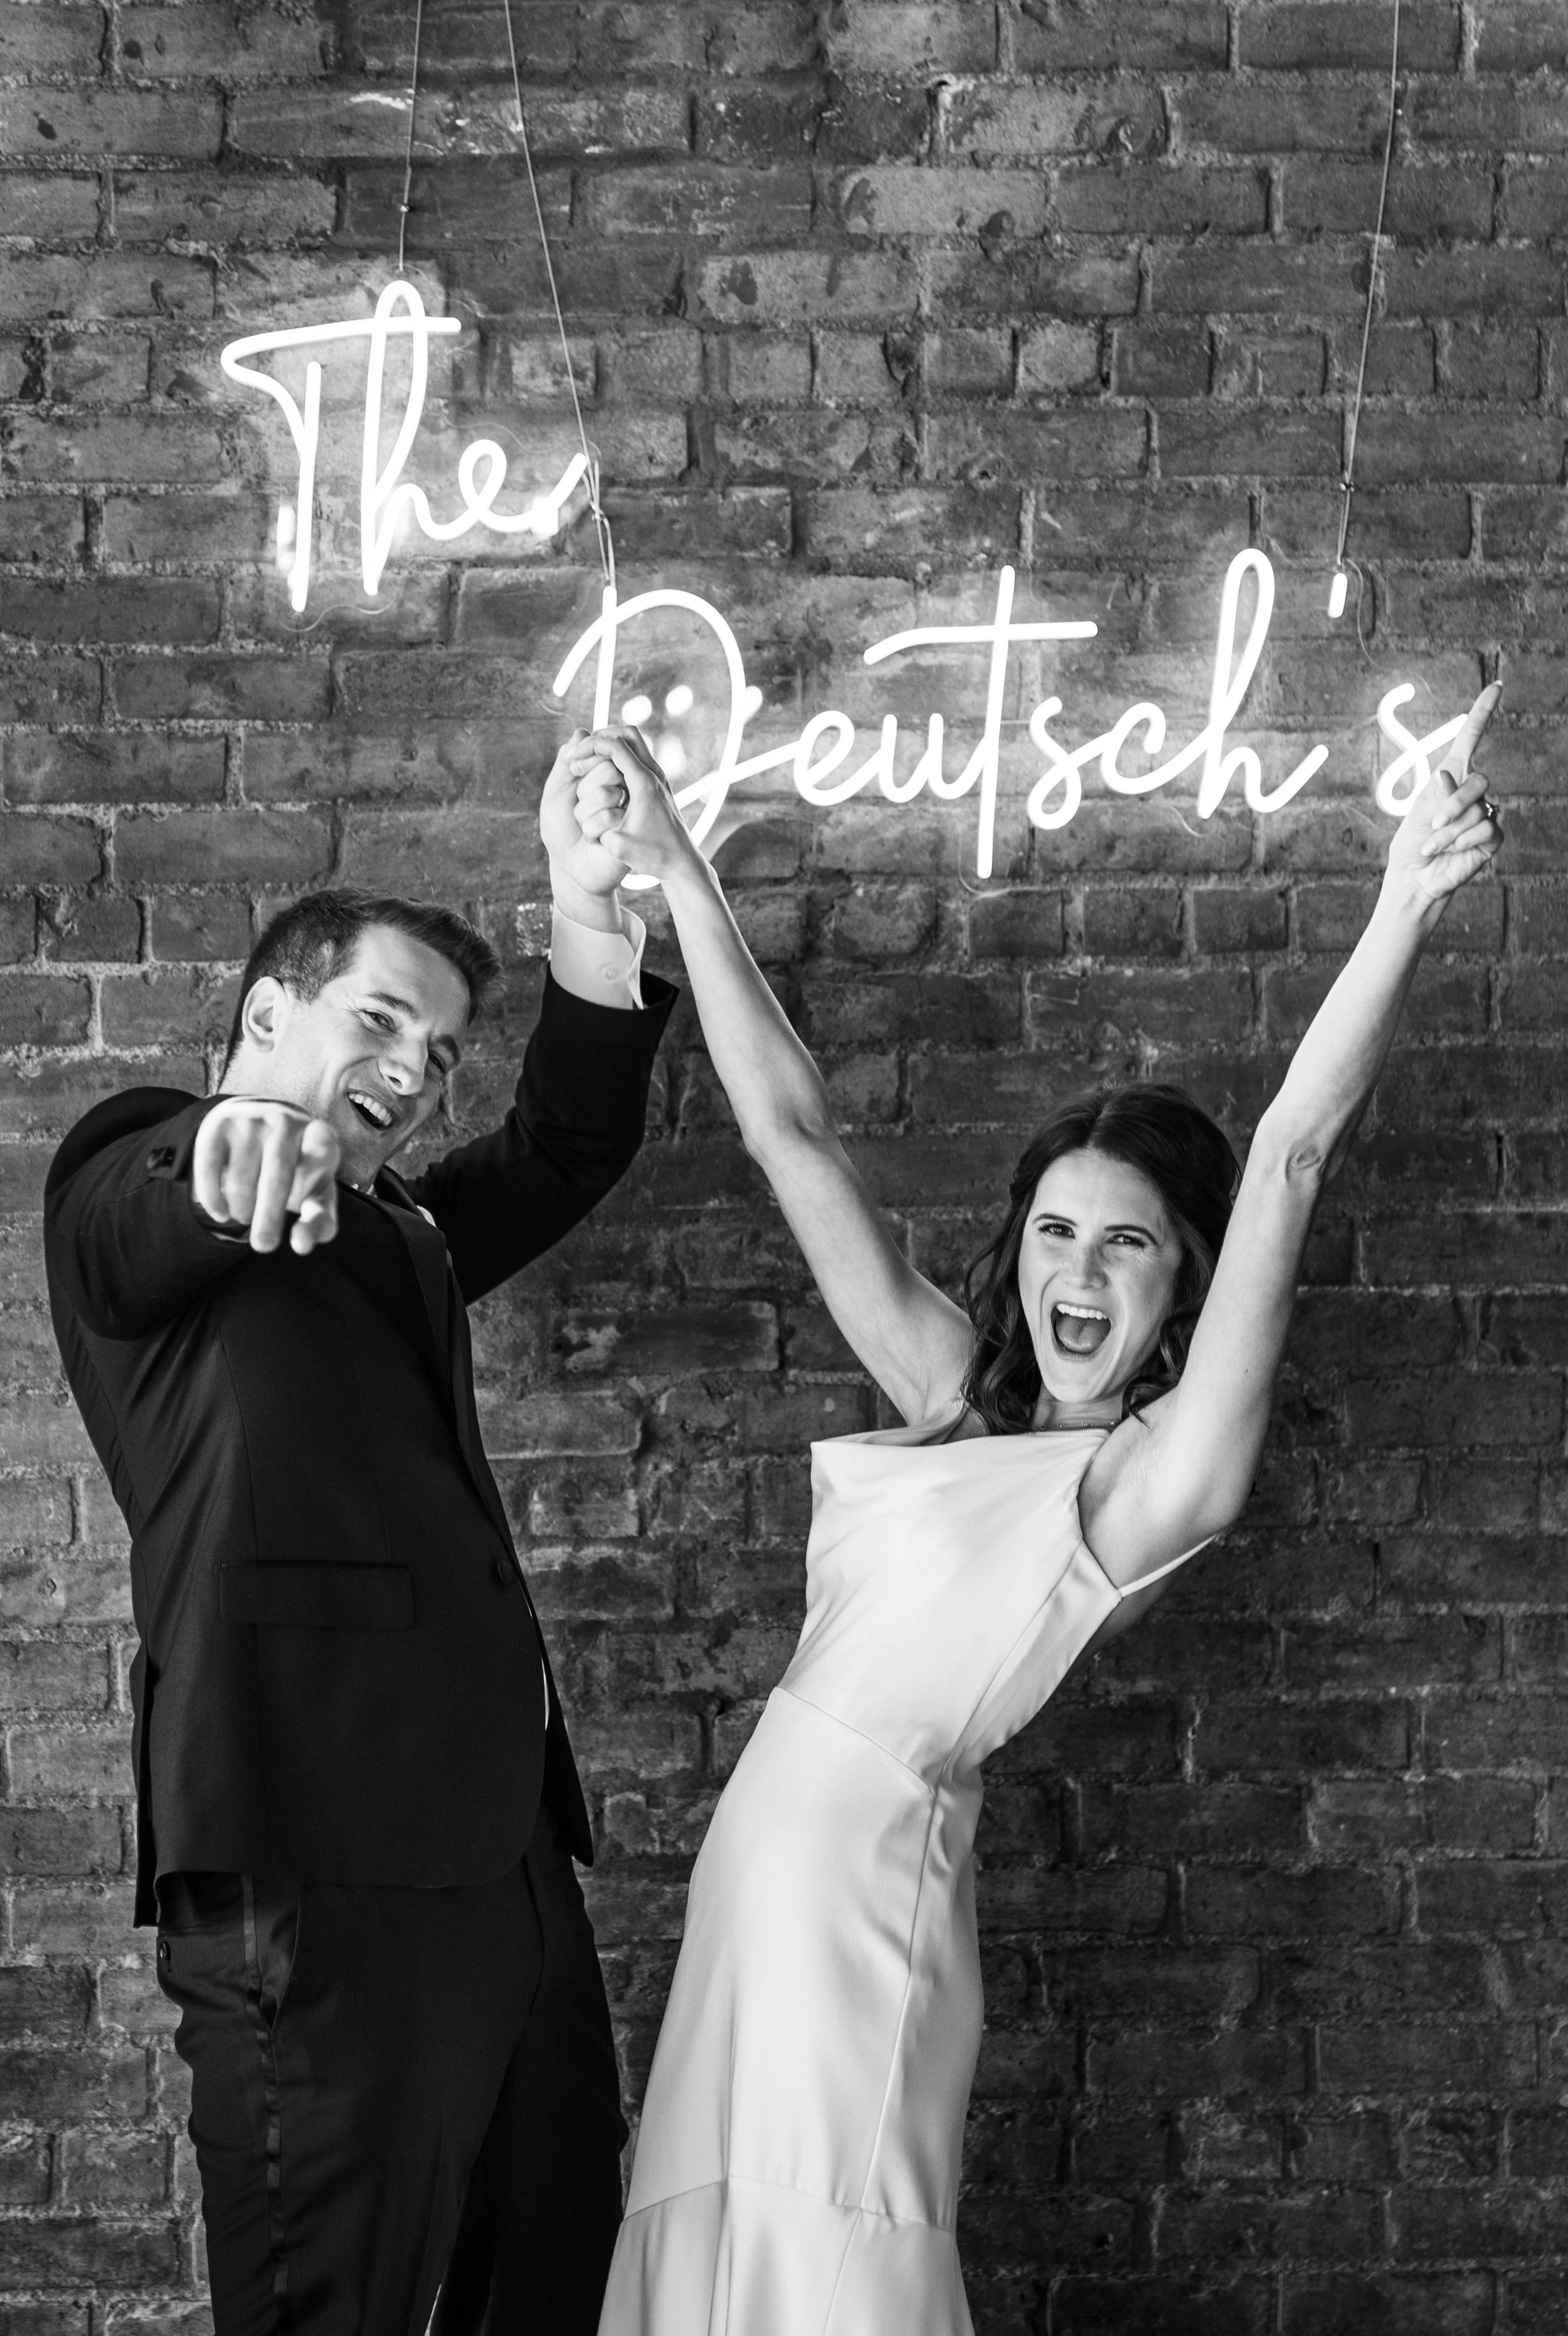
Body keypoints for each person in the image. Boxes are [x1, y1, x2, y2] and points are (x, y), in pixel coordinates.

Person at [559, 691, 1506, 2335]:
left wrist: (1406, 896)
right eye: (1055, 1232)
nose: (1075, 1272)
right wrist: (678, 863)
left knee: (834, 2254)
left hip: (865, 1896)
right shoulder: (953, 1392)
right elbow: (790, 1134)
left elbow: (1284, 1153)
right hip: (754, 1894)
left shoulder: (1153, 1480)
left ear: (1181, 1283)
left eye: (1124, 1243)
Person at [42, 731, 675, 2336]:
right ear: (267, 1017)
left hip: (506, 1865)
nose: (418, 1061)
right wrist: (227, 1151)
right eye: (379, 1019)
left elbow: (566, 1147)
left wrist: (585, 906)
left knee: (549, 2280)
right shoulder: (145, 1174)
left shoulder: (403, 1235)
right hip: (310, 1868)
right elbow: (147, 1208)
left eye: (443, 1047)